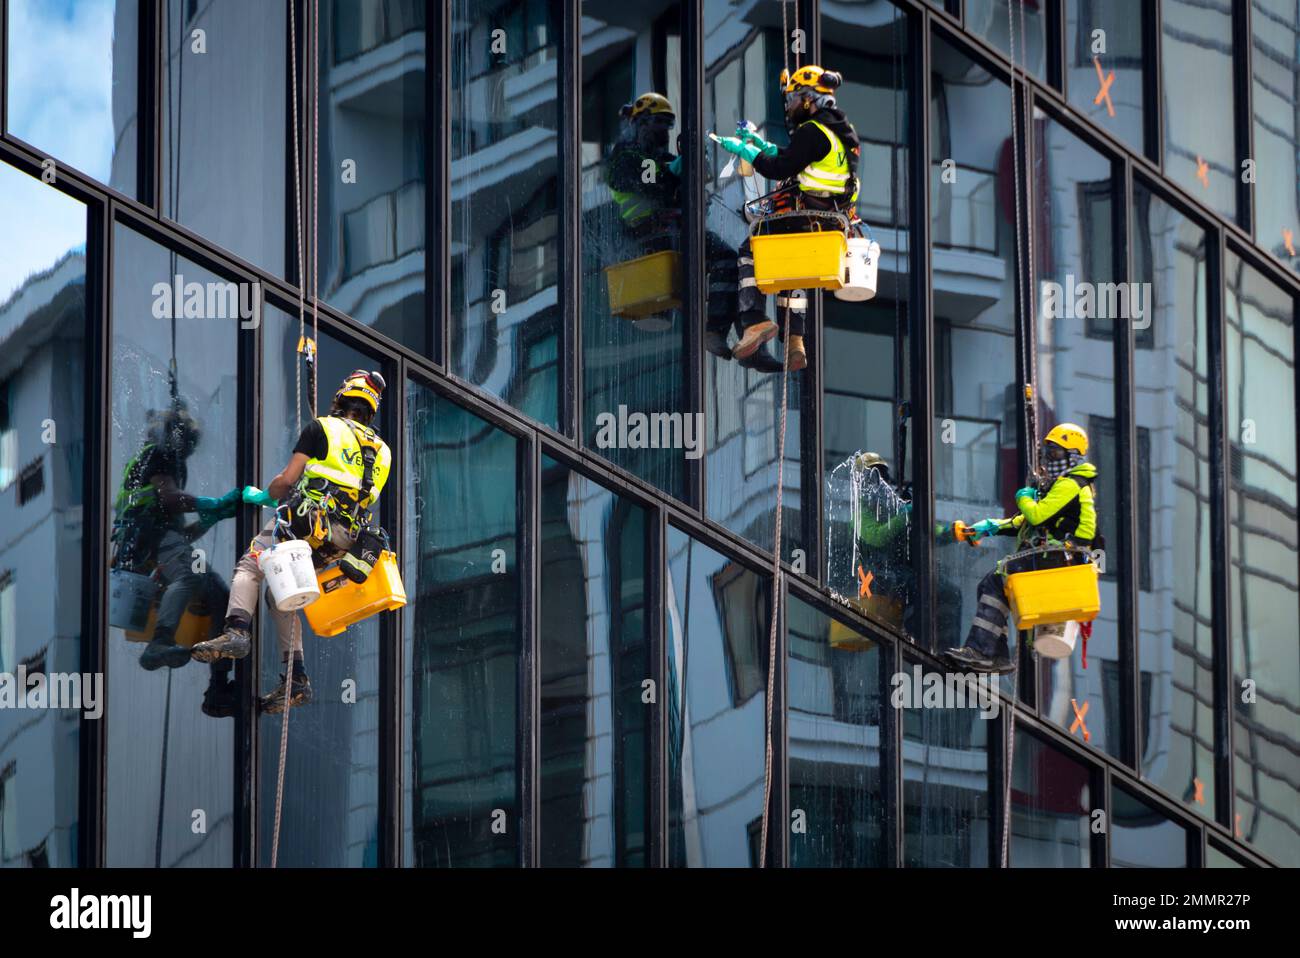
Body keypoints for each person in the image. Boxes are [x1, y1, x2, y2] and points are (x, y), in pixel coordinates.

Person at [190, 370, 393, 712]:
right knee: (281, 590)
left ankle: (237, 630)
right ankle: (296, 679)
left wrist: (264, 495)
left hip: (307, 522)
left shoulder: (322, 428)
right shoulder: (383, 452)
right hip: (344, 539)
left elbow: (286, 482)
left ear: (342, 397)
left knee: (252, 565)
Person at [607, 93, 781, 371]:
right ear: (640, 124)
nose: (663, 131)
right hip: (650, 237)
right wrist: (681, 168)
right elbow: (658, 182)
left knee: (739, 263)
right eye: (658, 123)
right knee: (725, 259)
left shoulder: (653, 157)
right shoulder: (624, 158)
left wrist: (691, 164)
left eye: (667, 124)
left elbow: (676, 177)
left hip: (670, 231)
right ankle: (715, 331)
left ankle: (750, 344)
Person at [715, 64, 862, 372]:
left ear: (808, 99)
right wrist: (760, 145)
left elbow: (779, 168)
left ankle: (753, 319)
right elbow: (797, 159)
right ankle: (795, 339)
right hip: (827, 219)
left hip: (805, 213)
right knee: (791, 269)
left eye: (793, 99)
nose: (789, 106)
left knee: (749, 252)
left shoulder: (812, 131)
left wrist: (746, 151)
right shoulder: (838, 131)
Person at [109, 400, 242, 716]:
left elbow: (178, 536)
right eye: (186, 439)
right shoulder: (160, 456)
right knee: (186, 576)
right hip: (148, 536)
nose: (189, 447)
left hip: (152, 539)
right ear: (173, 434)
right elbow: (169, 500)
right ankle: (160, 642)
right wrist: (208, 503)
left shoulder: (161, 460)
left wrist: (208, 519)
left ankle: (219, 685)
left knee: (220, 595)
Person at [942, 423, 1099, 674]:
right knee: (990, 585)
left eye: (1057, 453)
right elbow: (1025, 522)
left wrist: (1022, 497)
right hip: (1057, 558)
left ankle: (982, 651)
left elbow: (1036, 516)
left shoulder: (1071, 483)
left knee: (996, 581)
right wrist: (991, 527)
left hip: (1060, 559)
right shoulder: (1063, 484)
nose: (1050, 459)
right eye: (1048, 453)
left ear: (1074, 456)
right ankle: (996, 655)